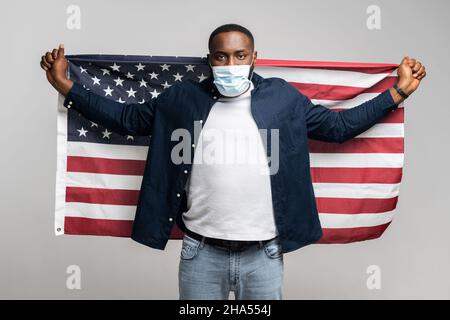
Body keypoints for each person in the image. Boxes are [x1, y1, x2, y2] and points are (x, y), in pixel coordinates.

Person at [40, 24, 426, 300]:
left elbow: (339, 126)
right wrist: (66, 86)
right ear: (210, 60)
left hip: (264, 255)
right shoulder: (181, 100)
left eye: (240, 55)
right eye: (221, 56)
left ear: (254, 57)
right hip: (200, 254)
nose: (231, 63)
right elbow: (127, 120)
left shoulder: (283, 100)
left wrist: (398, 92)